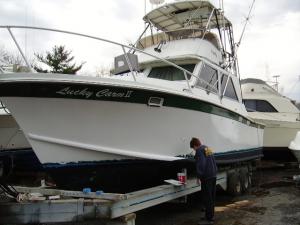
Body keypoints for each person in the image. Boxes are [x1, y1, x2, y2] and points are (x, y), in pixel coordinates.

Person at [190, 137, 217, 225]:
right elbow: (213, 161)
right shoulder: (207, 148)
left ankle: (209, 219)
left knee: (207, 198)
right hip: (213, 175)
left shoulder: (199, 151)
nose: (194, 150)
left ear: (195, 146)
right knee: (211, 197)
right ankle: (209, 216)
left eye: (193, 148)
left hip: (207, 177)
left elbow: (201, 164)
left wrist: (199, 176)